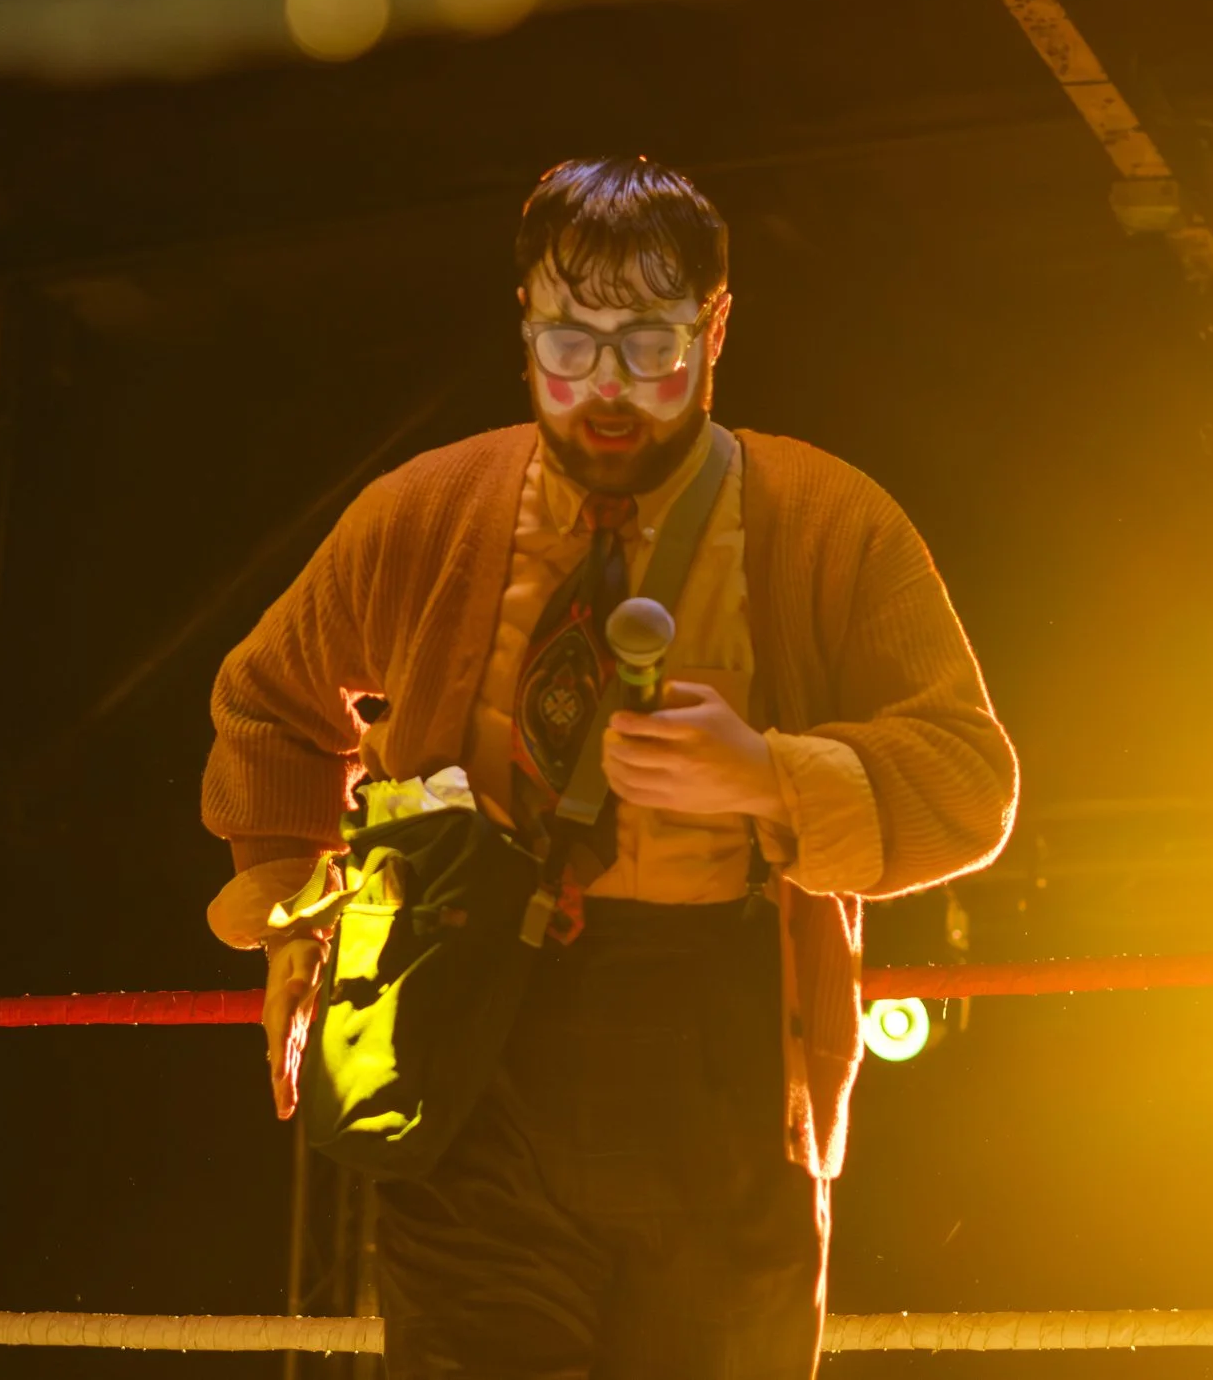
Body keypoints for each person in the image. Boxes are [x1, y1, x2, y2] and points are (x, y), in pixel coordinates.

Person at [201, 155, 1017, 1379]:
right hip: (464, 1054)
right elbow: (267, 699)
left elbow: (969, 782)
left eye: (650, 343)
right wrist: (287, 905)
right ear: (522, 322)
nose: (608, 388)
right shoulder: (424, 514)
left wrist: (767, 777)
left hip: (729, 1071)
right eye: (569, 343)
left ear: (717, 324)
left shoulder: (826, 520)